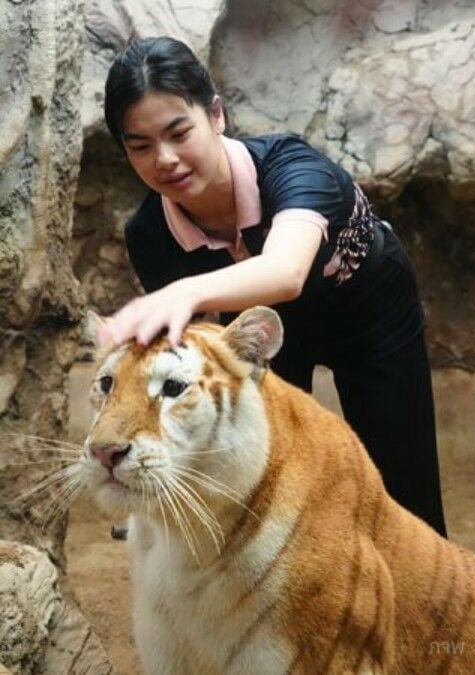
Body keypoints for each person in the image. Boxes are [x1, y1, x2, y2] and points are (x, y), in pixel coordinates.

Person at [97, 36, 447, 537]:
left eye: (179, 132)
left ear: (215, 115)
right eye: (141, 146)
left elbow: (285, 272)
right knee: (276, 480)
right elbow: (199, 357)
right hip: (266, 334)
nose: (166, 158)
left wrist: (183, 292)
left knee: (405, 490)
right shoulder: (149, 233)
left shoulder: (294, 167)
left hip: (370, 312)